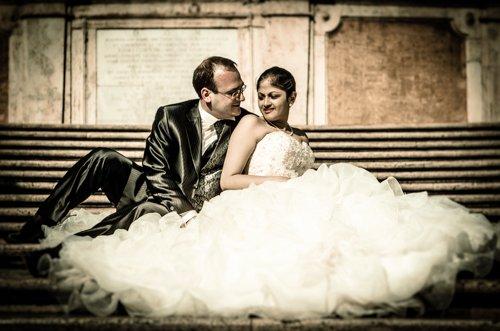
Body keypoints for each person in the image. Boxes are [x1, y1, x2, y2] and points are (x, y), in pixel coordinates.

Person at [41, 67, 497, 319]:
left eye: (260, 93)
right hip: (164, 192)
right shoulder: (180, 116)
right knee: (108, 164)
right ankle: (45, 231)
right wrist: (189, 210)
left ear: (290, 97)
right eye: (241, 92)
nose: (251, 100)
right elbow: (179, 173)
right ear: (207, 95)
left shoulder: (253, 125)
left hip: (250, 200)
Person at [7, 56, 251, 243]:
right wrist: (185, 212)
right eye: (233, 92)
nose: (240, 97)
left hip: (194, 209)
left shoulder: (246, 124)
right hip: (154, 192)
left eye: (242, 88)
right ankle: (39, 224)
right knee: (103, 157)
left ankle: (72, 246)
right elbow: (155, 170)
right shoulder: (171, 115)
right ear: (206, 94)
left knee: (146, 210)